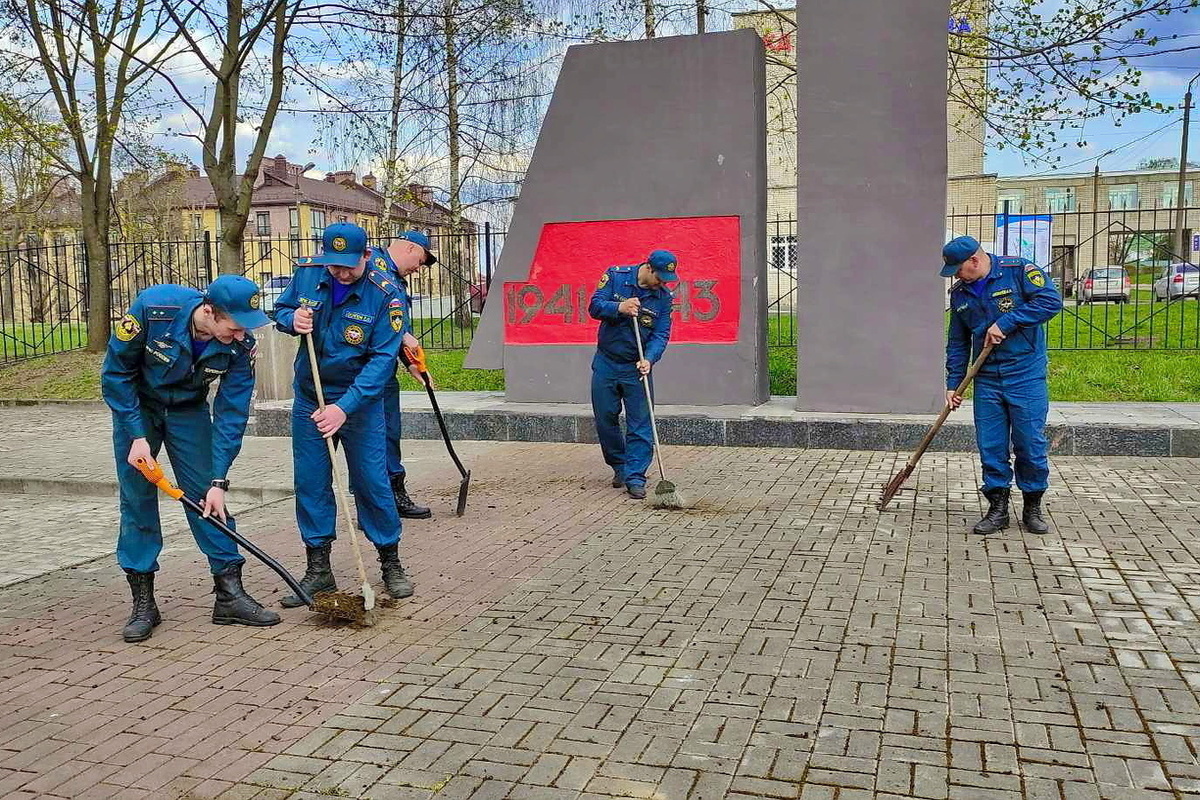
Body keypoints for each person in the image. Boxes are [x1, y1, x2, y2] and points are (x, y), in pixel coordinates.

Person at [101, 275, 280, 643]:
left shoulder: (240, 345)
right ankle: (144, 603)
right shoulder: (154, 309)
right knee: (137, 499)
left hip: (187, 411)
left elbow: (231, 414)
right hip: (138, 410)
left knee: (205, 499)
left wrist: (219, 481)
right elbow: (116, 375)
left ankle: (229, 596)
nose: (240, 333)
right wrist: (137, 437)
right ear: (210, 312)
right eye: (233, 326)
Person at [272, 222, 413, 606]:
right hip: (310, 398)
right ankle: (318, 569)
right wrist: (291, 320)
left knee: (371, 481)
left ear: (367, 256)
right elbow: (281, 308)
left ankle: (390, 561)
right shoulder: (308, 276)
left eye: (348, 266)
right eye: (334, 265)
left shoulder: (386, 295)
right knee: (312, 482)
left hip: (359, 403)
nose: (340, 272)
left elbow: (383, 361)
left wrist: (343, 408)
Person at [942, 235, 1063, 535]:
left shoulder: (1018, 271)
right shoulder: (960, 295)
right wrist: (953, 385)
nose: (957, 275)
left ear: (974, 260)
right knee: (991, 446)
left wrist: (1007, 323)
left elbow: (1051, 301)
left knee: (1029, 444)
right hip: (986, 378)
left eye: (959, 268)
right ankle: (997, 509)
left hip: (1025, 373)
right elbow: (957, 343)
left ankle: (1032, 506)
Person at [587, 249, 677, 499]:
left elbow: (661, 333)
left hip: (636, 367)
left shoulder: (663, 298)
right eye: (659, 277)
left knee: (640, 423)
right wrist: (620, 307)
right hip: (607, 361)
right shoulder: (615, 276)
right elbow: (594, 306)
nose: (662, 283)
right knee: (605, 418)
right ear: (648, 267)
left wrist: (649, 358)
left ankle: (636, 476)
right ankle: (619, 466)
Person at [367, 230, 438, 520]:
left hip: (385, 374)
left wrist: (411, 365)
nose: (418, 268)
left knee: (389, 434)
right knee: (370, 441)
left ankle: (394, 495)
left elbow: (397, 328)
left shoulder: (395, 278)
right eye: (419, 261)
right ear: (410, 248)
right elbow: (375, 320)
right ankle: (372, 505)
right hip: (364, 373)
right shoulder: (372, 268)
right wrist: (403, 335)